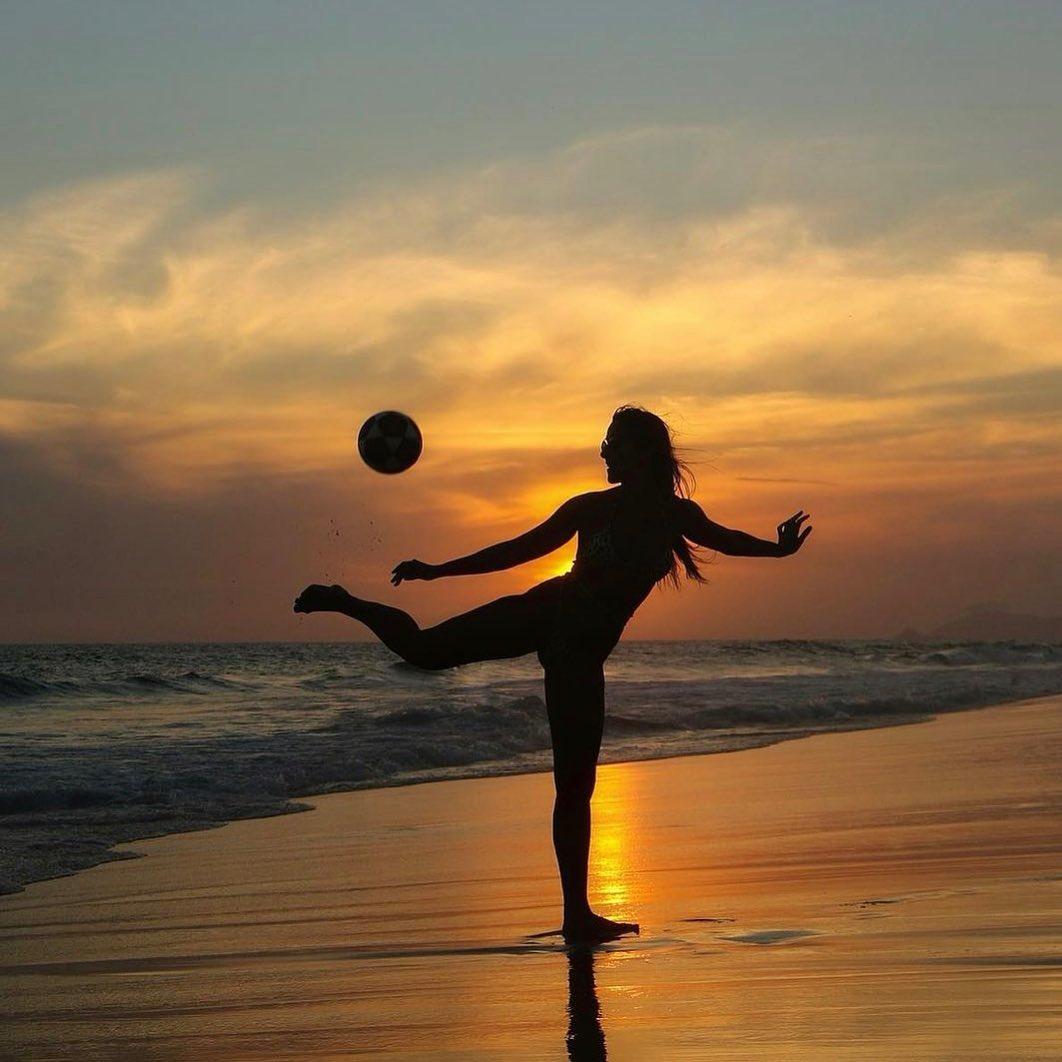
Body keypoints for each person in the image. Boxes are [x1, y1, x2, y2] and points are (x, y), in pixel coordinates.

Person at [293, 405, 812, 943]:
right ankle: (345, 601)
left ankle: (576, 916)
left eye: (611, 442)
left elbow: (727, 539)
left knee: (575, 785)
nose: (603, 451)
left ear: (641, 453)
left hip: (581, 656)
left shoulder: (677, 516)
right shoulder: (589, 508)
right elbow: (519, 550)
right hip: (547, 613)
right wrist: (439, 569)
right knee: (423, 650)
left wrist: (778, 549)